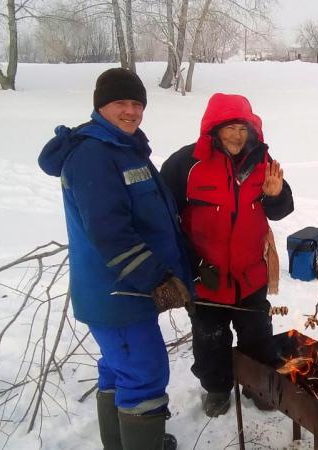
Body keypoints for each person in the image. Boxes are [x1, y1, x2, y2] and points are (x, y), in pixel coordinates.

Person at [38, 68, 194, 450]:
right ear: (100, 107)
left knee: (117, 366)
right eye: (120, 103)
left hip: (122, 291)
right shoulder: (93, 155)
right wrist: (157, 280)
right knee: (143, 372)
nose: (130, 111)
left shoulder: (123, 147)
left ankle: (120, 442)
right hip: (118, 294)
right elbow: (111, 233)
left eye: (137, 103)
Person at [160, 93, 294, 418]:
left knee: (257, 336)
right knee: (210, 340)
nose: (237, 135)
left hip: (250, 275)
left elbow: (281, 210)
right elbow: (165, 220)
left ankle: (256, 384)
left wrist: (276, 195)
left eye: (242, 128)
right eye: (230, 128)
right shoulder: (185, 164)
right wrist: (190, 267)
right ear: (214, 129)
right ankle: (217, 389)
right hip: (206, 278)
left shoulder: (262, 163)